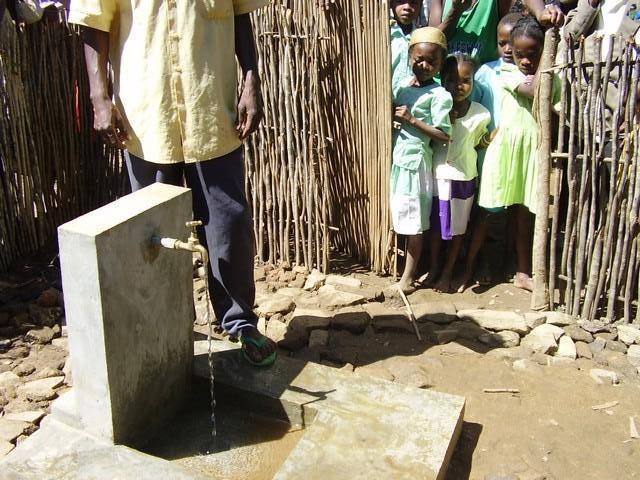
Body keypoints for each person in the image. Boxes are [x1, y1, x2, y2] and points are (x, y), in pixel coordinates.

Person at [69, 0, 277, 367]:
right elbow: (94, 21)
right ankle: (166, 334)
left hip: (210, 108)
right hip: (148, 117)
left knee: (229, 224)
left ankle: (240, 323)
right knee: (153, 236)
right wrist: (98, 96)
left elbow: (241, 13)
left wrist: (250, 79)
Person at [477, 16, 559, 291]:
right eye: (519, 54)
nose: (525, 61)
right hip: (506, 151)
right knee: (493, 213)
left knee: (525, 216)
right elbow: (538, 90)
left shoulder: (551, 76)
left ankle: (523, 271)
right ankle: (481, 267)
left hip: (531, 153)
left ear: (543, 52)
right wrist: (547, 67)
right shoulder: (508, 73)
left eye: (532, 55)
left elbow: (557, 102)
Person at [457, 12, 522, 292]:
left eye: (513, 43)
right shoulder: (485, 72)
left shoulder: (529, 72)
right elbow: (475, 111)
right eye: (502, 43)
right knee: (485, 211)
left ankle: (505, 263)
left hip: (517, 153)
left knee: (513, 210)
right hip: (489, 153)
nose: (507, 49)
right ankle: (477, 263)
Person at [391, 27, 452, 294]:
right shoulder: (403, 89)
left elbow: (444, 135)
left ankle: (408, 276)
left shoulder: (440, 95)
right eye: (419, 59)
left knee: (415, 221)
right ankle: (399, 267)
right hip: (397, 161)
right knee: (401, 215)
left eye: (432, 61)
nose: (425, 65)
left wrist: (412, 120)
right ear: (409, 57)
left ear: (441, 64)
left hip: (417, 164)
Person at [427, 53, 491, 292]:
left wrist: (487, 139)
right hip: (438, 174)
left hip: (463, 177)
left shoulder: (481, 114)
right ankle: (434, 267)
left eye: (466, 80)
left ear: (474, 83)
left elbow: (476, 143)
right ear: (443, 80)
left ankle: (448, 271)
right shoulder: (436, 107)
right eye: (452, 80)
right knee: (435, 227)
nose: (459, 86)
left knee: (458, 230)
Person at [429, 0, 564, 65]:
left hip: (484, 86)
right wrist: (455, 12)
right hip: (442, 88)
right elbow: (431, 44)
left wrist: (541, 12)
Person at [391, 0, 424, 93]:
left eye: (414, 2)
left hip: (409, 103)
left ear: (420, 6)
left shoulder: (421, 38)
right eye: (401, 1)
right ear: (391, 3)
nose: (407, 7)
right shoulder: (383, 34)